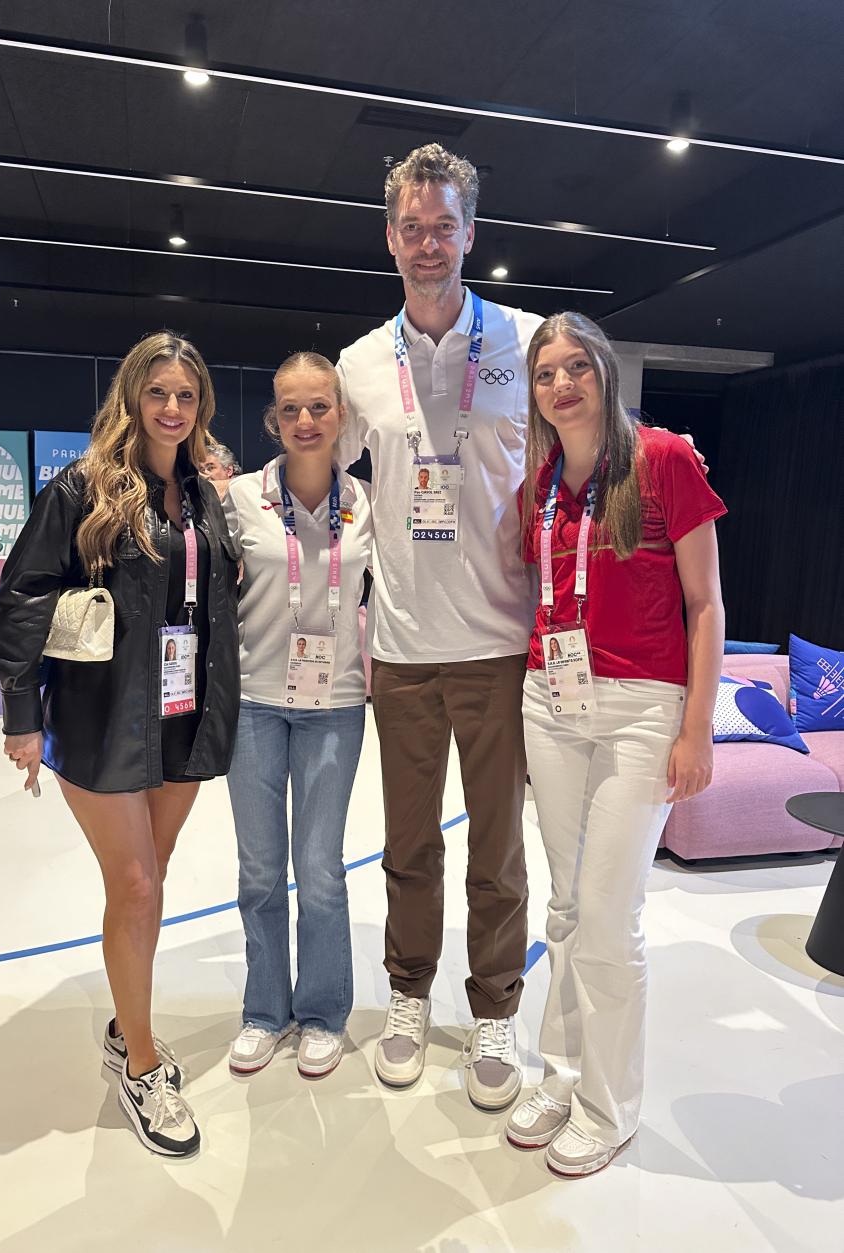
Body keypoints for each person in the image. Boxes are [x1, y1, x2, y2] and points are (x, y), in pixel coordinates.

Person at [0, 331, 241, 1158]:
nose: (174, 408)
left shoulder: (204, 493)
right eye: (159, 392)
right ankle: (139, 1063)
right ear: (132, 396)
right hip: (100, 714)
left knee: (150, 881)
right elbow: (21, 596)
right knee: (134, 885)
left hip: (179, 710)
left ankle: (123, 1019)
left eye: (188, 396)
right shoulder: (84, 487)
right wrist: (23, 714)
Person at [336, 143, 542, 1111]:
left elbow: (582, 454)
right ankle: (410, 994)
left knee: (497, 850)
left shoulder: (530, 342)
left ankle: (495, 1004)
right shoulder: (357, 364)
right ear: (390, 239)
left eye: (443, 225)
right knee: (409, 848)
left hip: (501, 646)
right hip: (405, 650)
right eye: (411, 227)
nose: (428, 243)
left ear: (472, 233)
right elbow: (322, 484)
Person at [505, 312, 726, 1177]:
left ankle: (611, 1103)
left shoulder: (665, 460)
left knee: (605, 914)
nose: (562, 385)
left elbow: (706, 606)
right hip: (551, 701)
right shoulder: (543, 483)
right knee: (564, 910)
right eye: (546, 373)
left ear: (604, 372)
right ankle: (562, 1075)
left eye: (576, 368)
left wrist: (696, 728)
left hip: (642, 708)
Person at [222, 352, 373, 1080]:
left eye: (320, 406)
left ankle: (321, 1012)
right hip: (253, 705)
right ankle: (263, 1011)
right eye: (291, 408)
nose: (306, 421)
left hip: (336, 707)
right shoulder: (240, 498)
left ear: (341, 414)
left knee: (318, 870)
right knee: (259, 871)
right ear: (273, 420)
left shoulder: (368, 504)